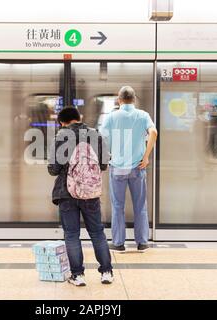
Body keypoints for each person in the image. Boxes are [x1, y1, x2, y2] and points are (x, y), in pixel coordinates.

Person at [47, 107, 113, 287]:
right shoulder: (95, 135)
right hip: (90, 193)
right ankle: (106, 272)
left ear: (62, 122)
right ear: (79, 118)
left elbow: (53, 170)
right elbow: (104, 165)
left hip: (66, 193)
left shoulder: (61, 137)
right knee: (97, 232)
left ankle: (78, 275)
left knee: (72, 234)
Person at [101, 86, 157, 253]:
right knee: (140, 205)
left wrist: (110, 154)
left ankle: (118, 243)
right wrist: (146, 156)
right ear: (134, 99)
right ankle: (142, 243)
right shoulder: (143, 115)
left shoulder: (111, 117)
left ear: (119, 100)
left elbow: (102, 137)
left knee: (118, 206)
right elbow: (153, 132)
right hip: (137, 167)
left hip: (117, 168)